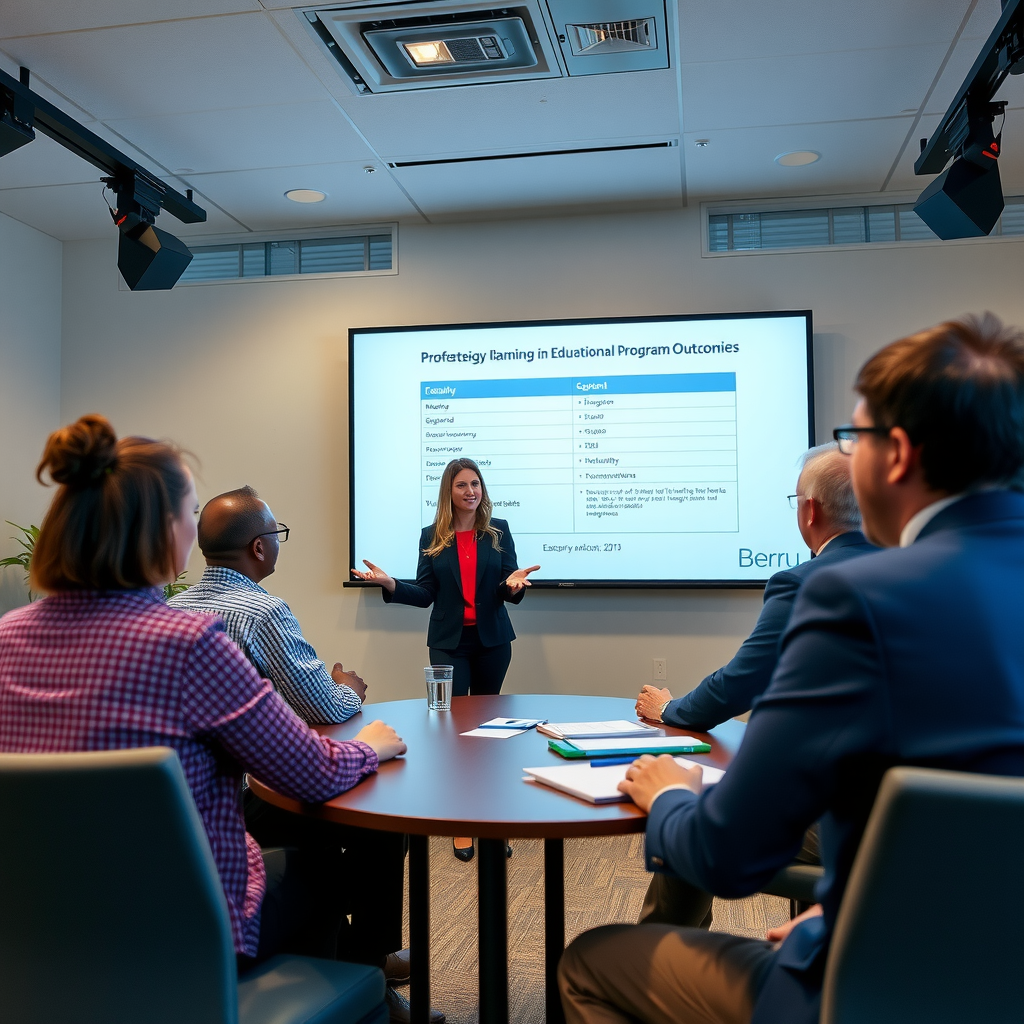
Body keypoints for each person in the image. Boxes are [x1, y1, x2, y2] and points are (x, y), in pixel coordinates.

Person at [558, 313, 1024, 1024]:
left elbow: (727, 855)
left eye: (853, 436)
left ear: (895, 454)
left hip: (874, 992)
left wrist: (671, 795)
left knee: (590, 961)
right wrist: (840, 909)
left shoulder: (857, 600)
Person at [0, 416, 408, 977]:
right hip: (183, 926)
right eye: (189, 515)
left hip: (40, 929)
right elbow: (311, 771)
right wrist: (371, 747)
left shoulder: (6, 639)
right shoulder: (190, 647)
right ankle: (359, 993)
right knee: (325, 866)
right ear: (162, 531)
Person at [168, 487, 429, 1020]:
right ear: (260, 549)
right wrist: (349, 688)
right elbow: (324, 709)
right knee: (378, 821)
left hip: (177, 830)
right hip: (233, 819)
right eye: (277, 534)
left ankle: (368, 964)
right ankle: (370, 970)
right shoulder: (262, 612)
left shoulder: (173, 609)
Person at [633, 442, 875, 930]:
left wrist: (670, 709)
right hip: (921, 813)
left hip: (846, 820)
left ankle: (659, 964)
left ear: (809, 511)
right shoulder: (910, 570)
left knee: (691, 810)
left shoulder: (804, 583)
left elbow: (738, 685)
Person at [352, 457, 539, 862]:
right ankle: (459, 823)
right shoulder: (431, 536)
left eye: (476, 484)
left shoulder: (498, 532)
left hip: (493, 643)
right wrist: (390, 584)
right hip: (448, 644)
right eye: (462, 485)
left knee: (492, 735)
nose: (471, 491)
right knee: (454, 734)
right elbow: (424, 594)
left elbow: (510, 586)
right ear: (448, 492)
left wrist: (515, 585)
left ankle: (492, 824)